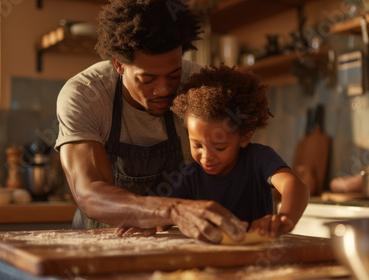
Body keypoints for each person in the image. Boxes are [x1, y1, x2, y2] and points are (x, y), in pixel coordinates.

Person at [55, 0, 247, 244]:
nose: (163, 89)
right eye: (148, 79)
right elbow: (89, 192)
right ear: (119, 65)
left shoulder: (198, 87)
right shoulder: (86, 94)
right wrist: (172, 210)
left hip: (176, 245)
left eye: (174, 74)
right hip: (96, 245)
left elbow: (227, 172)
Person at [168, 65, 310, 238]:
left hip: (255, 254)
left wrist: (284, 219)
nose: (206, 156)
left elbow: (295, 186)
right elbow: (166, 215)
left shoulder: (258, 159)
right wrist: (149, 225)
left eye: (219, 147)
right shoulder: (189, 176)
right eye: (197, 145)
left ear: (245, 138)